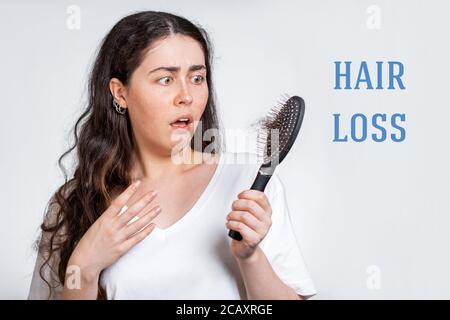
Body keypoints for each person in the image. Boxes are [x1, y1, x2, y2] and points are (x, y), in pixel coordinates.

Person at [28, 11, 317, 300]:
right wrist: (84, 268)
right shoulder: (76, 201)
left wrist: (250, 257)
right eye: (165, 79)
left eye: (197, 77)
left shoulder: (249, 186)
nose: (186, 96)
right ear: (120, 93)